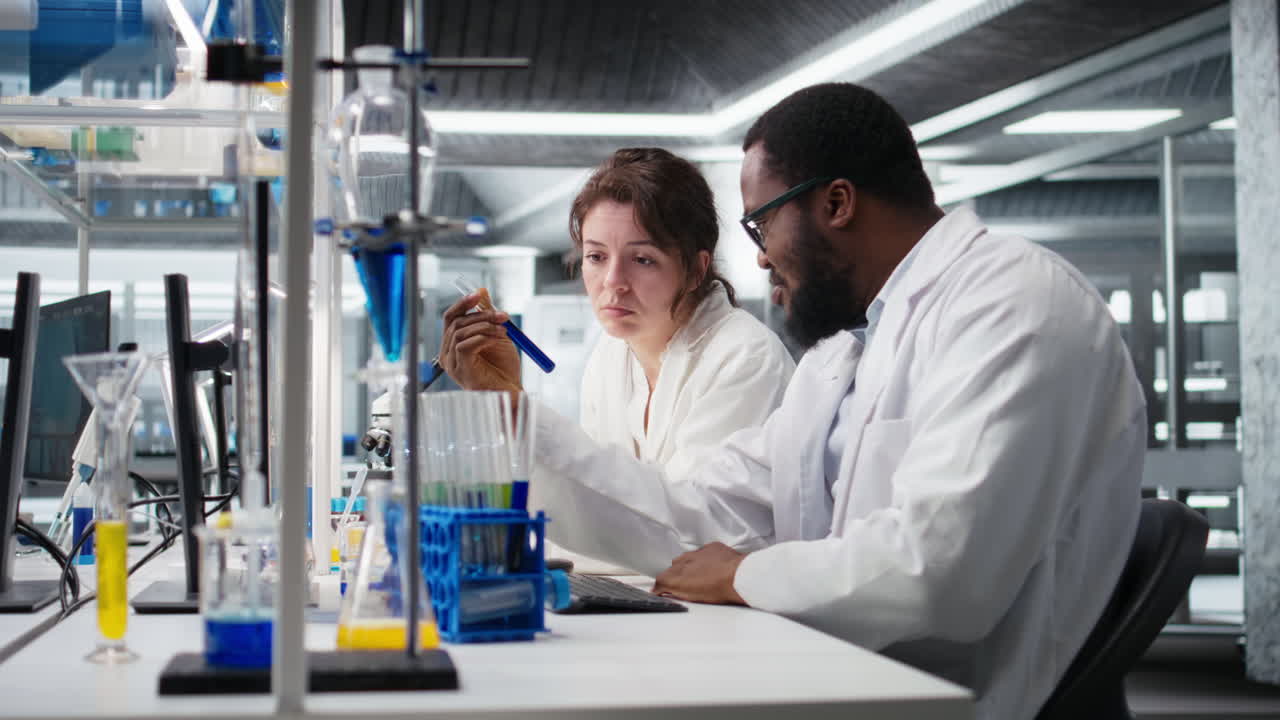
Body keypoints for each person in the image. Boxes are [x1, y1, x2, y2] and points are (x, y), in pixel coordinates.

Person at [441, 85, 1145, 720]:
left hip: (957, 703)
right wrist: (511, 415)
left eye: (762, 225)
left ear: (835, 203)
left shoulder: (1014, 301)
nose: (758, 257)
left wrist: (747, 573)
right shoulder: (843, 353)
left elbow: (940, 569)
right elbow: (702, 512)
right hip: (842, 678)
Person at [439, 146, 795, 499]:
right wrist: (503, 401)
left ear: (696, 269)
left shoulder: (745, 358)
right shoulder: (610, 357)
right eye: (596, 256)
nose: (612, 281)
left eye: (641, 259)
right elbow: (596, 504)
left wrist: (515, 410)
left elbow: (688, 525)